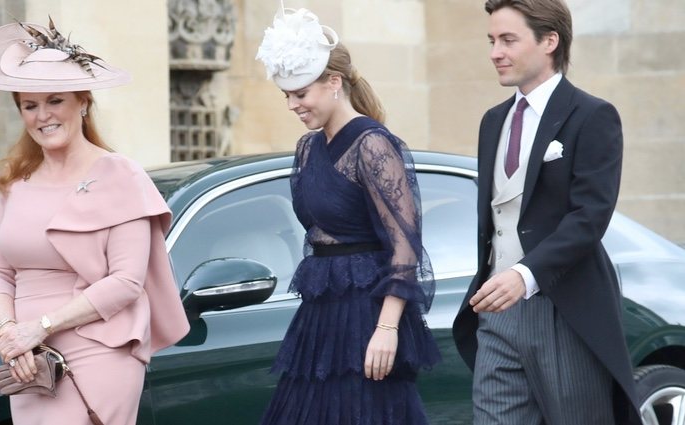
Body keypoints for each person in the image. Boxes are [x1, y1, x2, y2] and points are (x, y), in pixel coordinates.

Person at [0, 18, 190, 425]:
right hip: (29, 360)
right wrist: (10, 334)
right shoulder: (13, 182)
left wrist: (42, 326)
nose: (42, 116)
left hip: (99, 348)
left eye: (55, 101)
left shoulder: (120, 175)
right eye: (29, 106)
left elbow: (126, 281)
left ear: (83, 102)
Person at [451, 1, 642, 424]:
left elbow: (589, 216)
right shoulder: (492, 121)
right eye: (491, 41)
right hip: (495, 311)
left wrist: (525, 275)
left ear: (549, 41)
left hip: (563, 309)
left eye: (508, 40)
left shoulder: (592, 116)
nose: (495, 52)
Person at [255, 4, 441, 424]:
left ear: (333, 82)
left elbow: (405, 246)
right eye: (286, 95)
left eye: (300, 93)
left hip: (368, 311)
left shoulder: (373, 144)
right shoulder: (307, 147)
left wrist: (387, 328)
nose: (292, 105)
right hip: (321, 313)